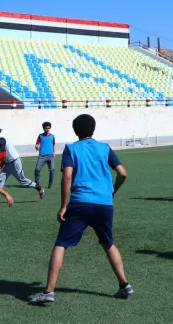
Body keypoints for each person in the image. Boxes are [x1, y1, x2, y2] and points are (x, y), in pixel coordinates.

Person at [29, 114, 132, 305]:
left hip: (80, 202)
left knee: (61, 244)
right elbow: (123, 174)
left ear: (75, 131)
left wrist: (63, 205)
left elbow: (67, 176)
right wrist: (112, 191)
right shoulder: (105, 148)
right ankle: (124, 284)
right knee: (108, 242)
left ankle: (49, 291)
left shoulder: (71, 148)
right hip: (104, 204)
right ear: (94, 129)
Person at [0, 127, 44, 204]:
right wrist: (1, 165)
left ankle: (39, 188)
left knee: (22, 180)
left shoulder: (1, 140)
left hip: (15, 162)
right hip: (8, 163)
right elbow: (4, 155)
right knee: (1, 179)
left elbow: (3, 154)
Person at [34, 121, 56, 189]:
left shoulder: (53, 136)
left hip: (50, 156)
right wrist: (37, 147)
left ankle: (50, 183)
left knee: (52, 169)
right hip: (42, 156)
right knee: (37, 169)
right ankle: (37, 184)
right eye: (46, 128)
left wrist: (54, 152)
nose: (47, 129)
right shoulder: (40, 136)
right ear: (43, 128)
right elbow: (37, 144)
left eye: (48, 128)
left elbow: (53, 144)